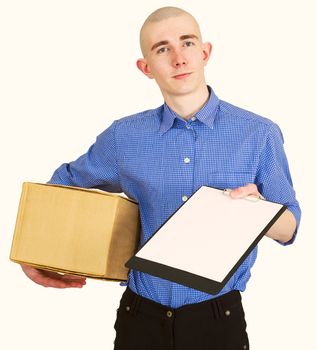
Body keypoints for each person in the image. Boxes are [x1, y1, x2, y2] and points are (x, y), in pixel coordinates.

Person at [20, 6, 301, 350]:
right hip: (140, 319)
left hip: (217, 321)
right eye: (162, 49)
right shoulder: (124, 137)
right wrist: (33, 256)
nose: (179, 59)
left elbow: (290, 226)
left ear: (205, 52)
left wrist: (257, 214)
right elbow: (61, 187)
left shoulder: (258, 134)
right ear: (146, 67)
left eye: (187, 43)